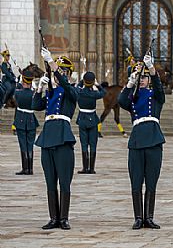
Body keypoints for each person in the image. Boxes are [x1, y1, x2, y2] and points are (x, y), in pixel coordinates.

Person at [32, 48, 79, 230]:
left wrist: (52, 63)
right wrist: (40, 87)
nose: (59, 75)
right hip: (47, 137)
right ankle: (54, 218)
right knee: (50, 181)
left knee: (64, 181)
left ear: (67, 74)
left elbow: (66, 85)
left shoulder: (71, 91)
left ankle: (64, 218)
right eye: (58, 72)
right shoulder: (51, 92)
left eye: (63, 72)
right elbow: (35, 106)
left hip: (63, 137)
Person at [118, 54, 165, 229]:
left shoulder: (155, 95)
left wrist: (151, 69)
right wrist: (131, 82)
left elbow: (160, 89)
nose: (143, 80)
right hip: (137, 142)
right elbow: (121, 101)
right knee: (136, 181)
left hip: (153, 140)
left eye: (145, 77)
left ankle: (149, 217)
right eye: (141, 77)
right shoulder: (132, 97)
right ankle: (138, 217)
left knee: (151, 181)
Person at [76, 71, 106, 174]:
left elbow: (76, 88)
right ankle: (92, 168)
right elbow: (104, 93)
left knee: (84, 144)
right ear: (93, 82)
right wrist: (97, 85)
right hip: (92, 119)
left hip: (82, 119)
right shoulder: (94, 94)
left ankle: (85, 168)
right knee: (93, 144)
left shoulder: (79, 92)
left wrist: (81, 81)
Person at [14, 70, 39, 175]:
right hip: (31, 119)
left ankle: (25, 168)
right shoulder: (34, 94)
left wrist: (19, 82)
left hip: (20, 119)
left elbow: (15, 96)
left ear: (23, 80)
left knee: (23, 145)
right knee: (30, 145)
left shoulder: (18, 92)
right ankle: (30, 169)